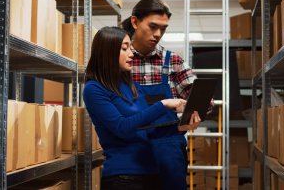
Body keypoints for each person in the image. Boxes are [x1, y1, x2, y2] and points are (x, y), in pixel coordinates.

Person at [83, 26, 199, 190]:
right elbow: (122, 127)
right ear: (107, 53)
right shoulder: (94, 89)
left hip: (151, 172)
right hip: (123, 177)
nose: (131, 53)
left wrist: (181, 128)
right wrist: (163, 104)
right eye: (125, 48)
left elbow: (147, 129)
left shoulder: (131, 85)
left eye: (130, 47)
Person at [121, 0, 213, 190]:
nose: (158, 34)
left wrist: (193, 116)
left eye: (163, 28)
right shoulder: (120, 61)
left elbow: (206, 102)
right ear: (135, 22)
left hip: (168, 149)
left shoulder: (173, 61)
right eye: (153, 26)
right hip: (129, 149)